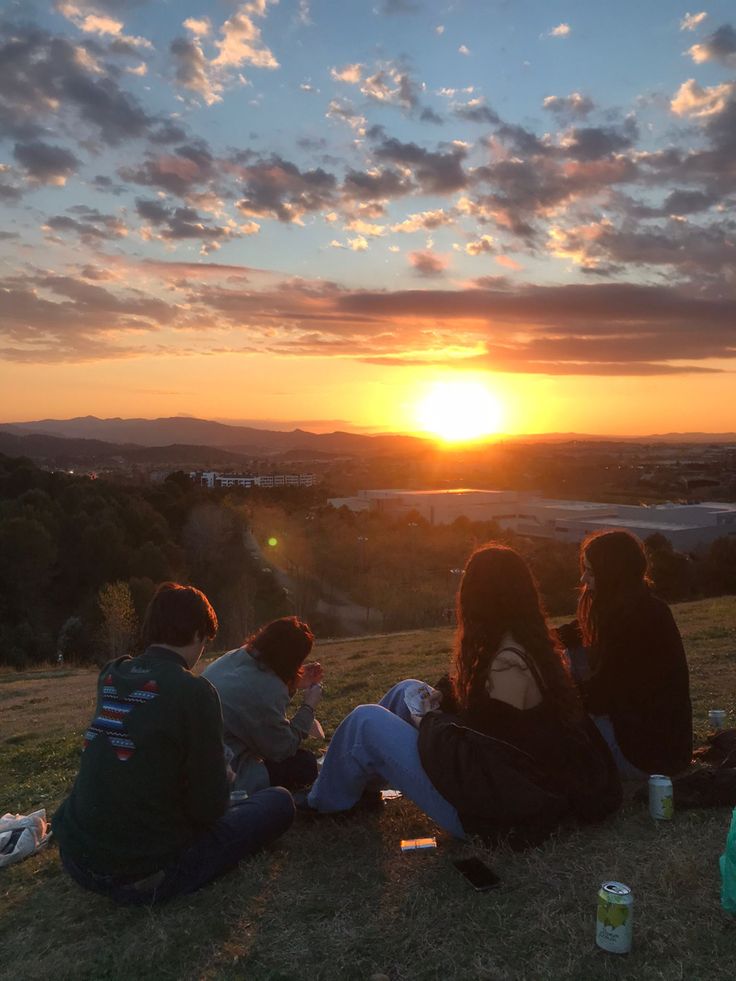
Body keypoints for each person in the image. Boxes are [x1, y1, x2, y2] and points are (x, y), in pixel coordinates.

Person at [299, 544, 621, 846]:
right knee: (406, 689)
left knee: (366, 720)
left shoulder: (509, 665)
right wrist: (442, 696)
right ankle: (355, 790)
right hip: (493, 790)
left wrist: (428, 721)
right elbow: (493, 725)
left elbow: (482, 761)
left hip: (487, 813)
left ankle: (323, 802)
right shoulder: (527, 644)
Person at [52, 582, 294, 905]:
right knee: (279, 802)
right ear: (197, 635)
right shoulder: (195, 692)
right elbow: (210, 809)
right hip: (145, 873)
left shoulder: (112, 673)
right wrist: (224, 778)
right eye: (205, 642)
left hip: (77, 859)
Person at [558, 529, 692, 779]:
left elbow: (599, 698)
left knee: (558, 727)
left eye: (591, 571)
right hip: (660, 746)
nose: (584, 578)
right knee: (572, 652)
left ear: (612, 574)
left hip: (645, 757)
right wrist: (533, 638)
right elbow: (574, 633)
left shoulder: (638, 622)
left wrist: (554, 695)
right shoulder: (629, 606)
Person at [203, 617, 324, 794]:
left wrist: (292, 681)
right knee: (304, 763)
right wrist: (308, 706)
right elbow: (283, 749)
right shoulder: (263, 688)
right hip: (227, 776)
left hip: (202, 760)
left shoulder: (234, 657)